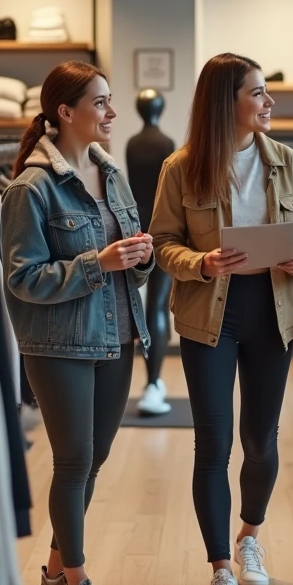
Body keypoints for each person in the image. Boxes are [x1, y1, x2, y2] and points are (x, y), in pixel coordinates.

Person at [150, 52, 293, 585]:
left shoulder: (290, 162)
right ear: (227, 103)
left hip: (273, 311)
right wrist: (202, 261)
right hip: (209, 314)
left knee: (262, 439)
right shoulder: (181, 168)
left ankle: (250, 533)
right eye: (258, 93)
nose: (269, 102)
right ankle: (221, 570)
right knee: (212, 444)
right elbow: (163, 243)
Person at [0, 61, 155, 585]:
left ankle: (54, 575)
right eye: (101, 103)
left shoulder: (111, 175)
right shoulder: (30, 188)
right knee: (74, 461)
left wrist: (139, 256)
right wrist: (101, 262)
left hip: (116, 334)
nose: (112, 113)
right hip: (59, 342)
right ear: (65, 112)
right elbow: (22, 278)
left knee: (95, 459)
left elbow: (128, 258)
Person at [126, 89, 177, 415]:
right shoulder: (166, 143)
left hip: (136, 226)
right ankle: (153, 383)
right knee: (156, 307)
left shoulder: (132, 143)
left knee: (148, 306)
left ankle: (153, 383)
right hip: (162, 227)